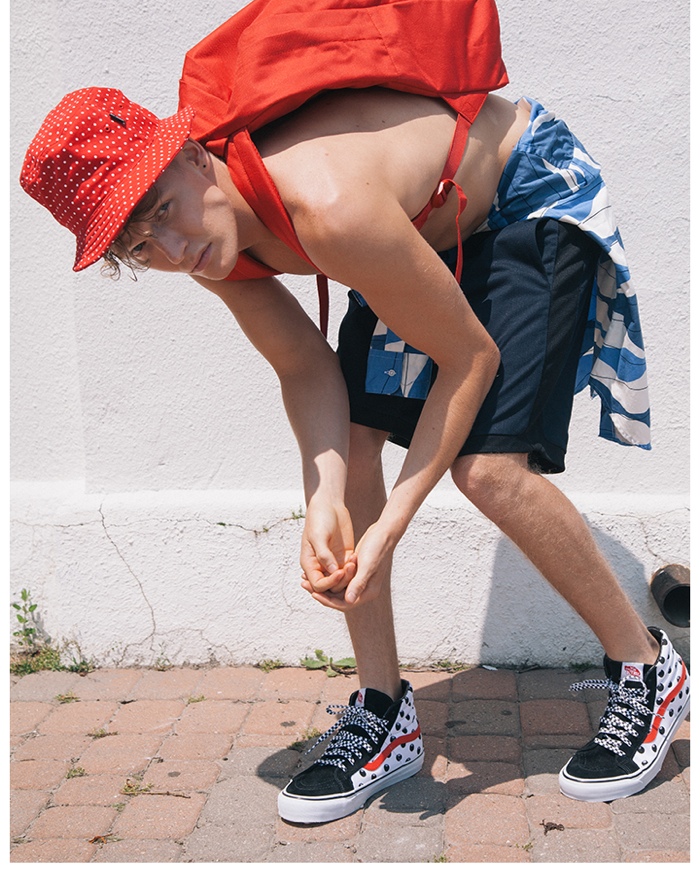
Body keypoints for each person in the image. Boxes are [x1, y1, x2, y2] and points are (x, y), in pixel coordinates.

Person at [20, 81, 689, 826]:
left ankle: (645, 668)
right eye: (140, 246)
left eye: (164, 213)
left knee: (486, 468)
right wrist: (327, 497)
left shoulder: (328, 203)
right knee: (356, 443)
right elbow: (306, 370)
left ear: (191, 156)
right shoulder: (212, 243)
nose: (173, 252)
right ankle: (383, 712)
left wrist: (390, 522)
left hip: (518, 195)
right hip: (417, 228)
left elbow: (472, 360)